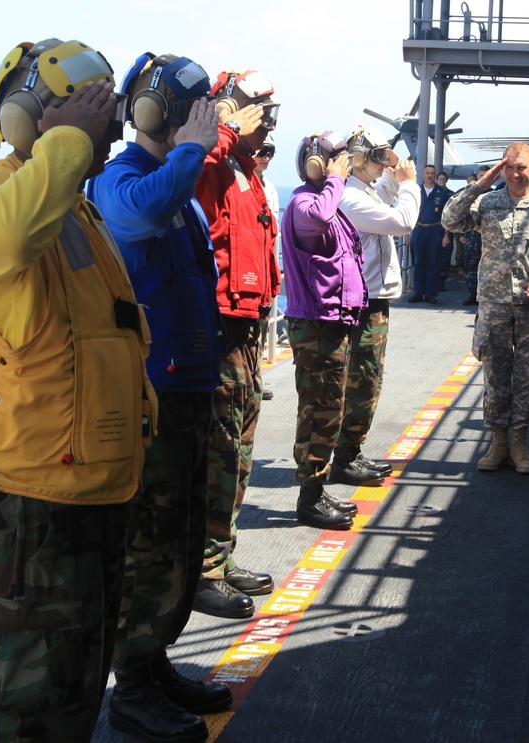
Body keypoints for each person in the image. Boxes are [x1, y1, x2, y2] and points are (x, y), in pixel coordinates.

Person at [0, 38, 154, 743]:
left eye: (102, 109)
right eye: (77, 108)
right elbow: (12, 236)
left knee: (72, 695)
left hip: (90, 498)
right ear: (28, 119)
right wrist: (66, 141)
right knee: (25, 707)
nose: (100, 123)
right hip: (29, 515)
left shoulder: (76, 215)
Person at [90, 52, 229, 743]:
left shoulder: (178, 187)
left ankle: (157, 657)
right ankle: (133, 686)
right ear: (158, 113)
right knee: (150, 543)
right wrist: (193, 154)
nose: (204, 120)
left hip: (192, 387)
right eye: (193, 109)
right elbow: (138, 218)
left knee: (182, 538)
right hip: (156, 392)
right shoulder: (124, 181)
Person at [191, 68, 281, 620]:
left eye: (269, 109)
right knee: (220, 452)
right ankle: (202, 568)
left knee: (239, 452)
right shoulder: (213, 163)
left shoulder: (247, 171)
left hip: (248, 328)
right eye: (254, 107)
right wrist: (221, 130)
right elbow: (185, 172)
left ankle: (220, 556)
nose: (265, 117)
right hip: (221, 328)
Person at [442, 142, 529, 475]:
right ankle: (498, 442)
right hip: (494, 306)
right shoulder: (487, 203)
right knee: (496, 378)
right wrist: (481, 183)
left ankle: (520, 444)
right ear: (503, 168)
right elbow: (450, 219)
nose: (516, 174)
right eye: (510, 167)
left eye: (522, 167)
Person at [282, 131, 367, 530]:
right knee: (319, 412)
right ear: (318, 164)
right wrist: (334, 179)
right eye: (337, 160)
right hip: (316, 326)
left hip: (332, 323)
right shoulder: (304, 204)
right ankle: (309, 498)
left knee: (329, 411)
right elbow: (317, 218)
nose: (344, 167)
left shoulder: (324, 202)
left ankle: (316, 488)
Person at [332, 125, 420, 486]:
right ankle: (345, 457)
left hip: (373, 299)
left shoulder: (362, 191)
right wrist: (412, 184)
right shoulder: (349, 198)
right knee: (361, 381)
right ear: (360, 161)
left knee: (368, 380)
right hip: (363, 303)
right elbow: (401, 221)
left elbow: (382, 195)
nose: (384, 162)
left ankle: (352, 450)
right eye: (379, 157)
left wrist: (396, 173)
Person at [255, 134, 280, 402]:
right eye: (262, 150)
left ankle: (256, 378)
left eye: (271, 152)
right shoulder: (239, 183)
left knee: (262, 326)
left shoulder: (270, 188)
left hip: (265, 268)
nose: (266, 157)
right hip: (249, 270)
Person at [407, 164, 452, 304]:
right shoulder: (416, 191)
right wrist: (406, 233)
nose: (430, 175)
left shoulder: (441, 192)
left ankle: (430, 294)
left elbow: (446, 215)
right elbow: (409, 212)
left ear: (435, 175)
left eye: (432, 173)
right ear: (423, 174)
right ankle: (418, 292)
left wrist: (446, 235)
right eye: (427, 173)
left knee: (433, 262)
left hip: (435, 230)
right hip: (419, 229)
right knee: (418, 261)